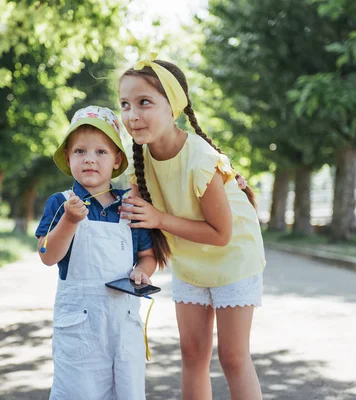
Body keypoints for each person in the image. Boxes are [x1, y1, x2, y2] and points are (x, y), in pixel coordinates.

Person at [118, 55, 265, 400]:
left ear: (174, 108)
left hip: (233, 258)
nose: (132, 115)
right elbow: (136, 223)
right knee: (192, 355)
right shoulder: (139, 162)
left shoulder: (200, 160)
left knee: (232, 357)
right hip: (190, 262)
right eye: (125, 105)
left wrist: (159, 219)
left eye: (144, 103)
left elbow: (221, 234)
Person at [35, 105, 160, 400]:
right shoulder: (61, 203)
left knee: (127, 392)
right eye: (80, 151)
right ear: (68, 157)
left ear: (117, 159)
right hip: (80, 327)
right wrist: (69, 221)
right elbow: (46, 253)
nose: (90, 159)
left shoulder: (129, 206)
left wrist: (143, 271)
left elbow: (147, 255)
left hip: (123, 323)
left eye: (101, 152)